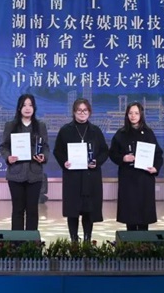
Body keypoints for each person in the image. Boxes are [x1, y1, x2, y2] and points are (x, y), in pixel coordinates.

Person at [53, 98, 109, 242]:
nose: (82, 113)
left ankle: (87, 239)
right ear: (74, 112)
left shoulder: (95, 131)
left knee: (89, 210)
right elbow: (57, 151)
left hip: (91, 176)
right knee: (72, 210)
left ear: (89, 112)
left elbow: (104, 151)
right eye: (79, 110)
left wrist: (97, 162)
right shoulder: (65, 130)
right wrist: (64, 162)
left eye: (85, 110)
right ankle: (73, 239)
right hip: (73, 177)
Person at [109, 101, 164, 231]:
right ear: (127, 115)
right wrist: (123, 158)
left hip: (145, 178)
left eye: (136, 113)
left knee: (144, 213)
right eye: (130, 113)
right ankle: (130, 240)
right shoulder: (121, 133)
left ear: (141, 115)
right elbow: (112, 153)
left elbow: (158, 154)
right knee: (130, 213)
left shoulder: (148, 133)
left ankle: (144, 241)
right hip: (128, 178)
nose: (133, 116)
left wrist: (155, 168)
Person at [0, 94, 49, 231]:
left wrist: (43, 157)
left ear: (34, 108)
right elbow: (3, 146)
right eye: (24, 105)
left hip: (35, 174)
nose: (27, 108)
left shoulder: (40, 126)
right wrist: (8, 157)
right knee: (18, 209)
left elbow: (45, 147)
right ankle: (17, 241)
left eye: (30, 105)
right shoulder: (11, 125)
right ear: (19, 108)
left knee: (33, 210)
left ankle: (31, 241)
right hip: (16, 173)